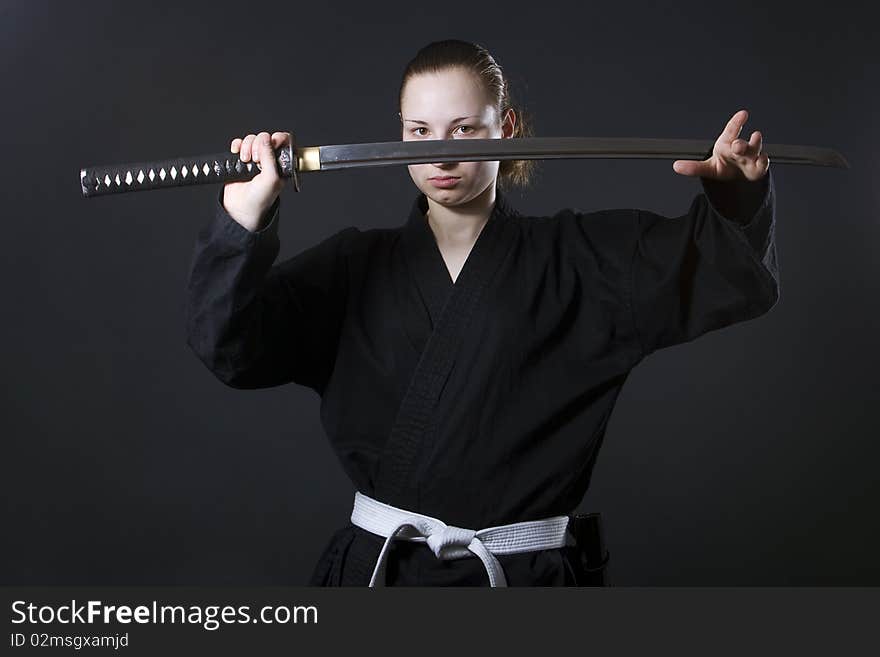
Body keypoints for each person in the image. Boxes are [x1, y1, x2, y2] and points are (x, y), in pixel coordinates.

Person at [184, 39, 777, 586]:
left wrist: (737, 197)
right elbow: (230, 344)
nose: (442, 152)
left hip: (526, 582)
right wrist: (243, 219)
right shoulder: (350, 269)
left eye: (464, 128)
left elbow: (715, 270)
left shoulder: (585, 262)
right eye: (419, 131)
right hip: (382, 579)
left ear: (507, 126)